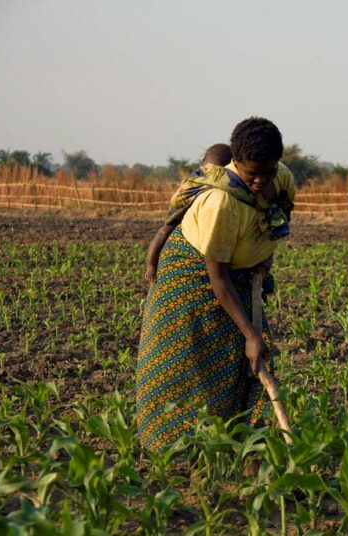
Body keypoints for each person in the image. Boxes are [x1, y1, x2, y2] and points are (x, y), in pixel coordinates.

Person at [135, 117, 295, 451]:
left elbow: (280, 214)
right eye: (252, 174)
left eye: (268, 171)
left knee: (250, 361)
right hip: (191, 277)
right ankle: (177, 451)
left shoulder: (282, 179)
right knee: (186, 362)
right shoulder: (220, 203)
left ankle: (248, 450)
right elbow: (217, 276)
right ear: (236, 163)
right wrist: (250, 333)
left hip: (241, 275)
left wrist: (264, 257)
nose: (261, 180)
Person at [144, 143, 233, 283]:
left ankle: (151, 265)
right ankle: (151, 265)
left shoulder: (200, 175)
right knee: (165, 231)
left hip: (191, 211)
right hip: (185, 210)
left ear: (204, 161)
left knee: (164, 231)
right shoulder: (222, 178)